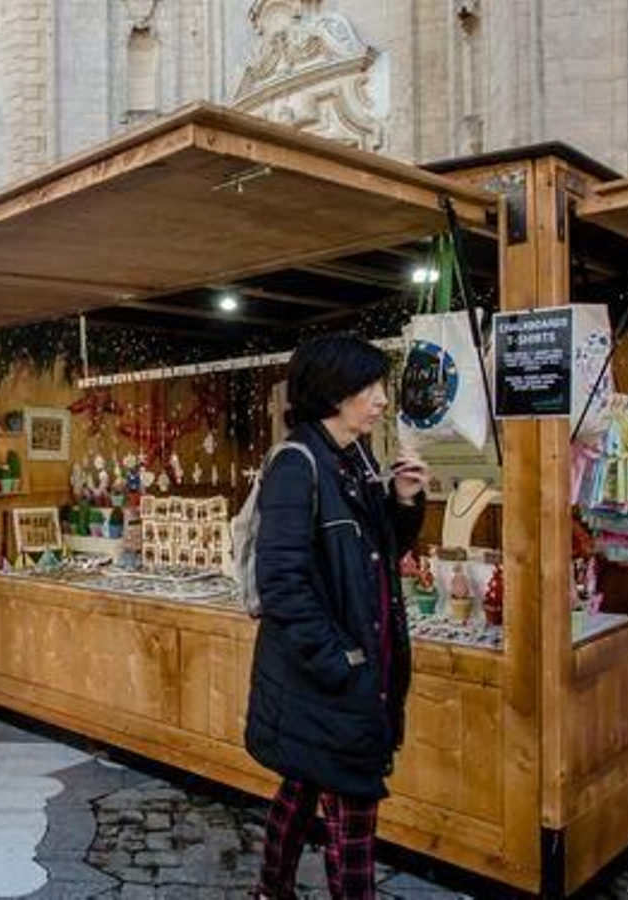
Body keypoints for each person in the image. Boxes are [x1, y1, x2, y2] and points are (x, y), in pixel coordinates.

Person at [245, 336, 429, 900]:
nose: (380, 400)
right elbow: (282, 584)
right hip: (326, 676)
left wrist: (403, 500)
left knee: (303, 787)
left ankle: (271, 891)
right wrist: (343, 662)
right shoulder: (297, 466)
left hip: (348, 670)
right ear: (332, 393)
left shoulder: (357, 459)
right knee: (353, 809)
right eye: (368, 388)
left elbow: (378, 554)